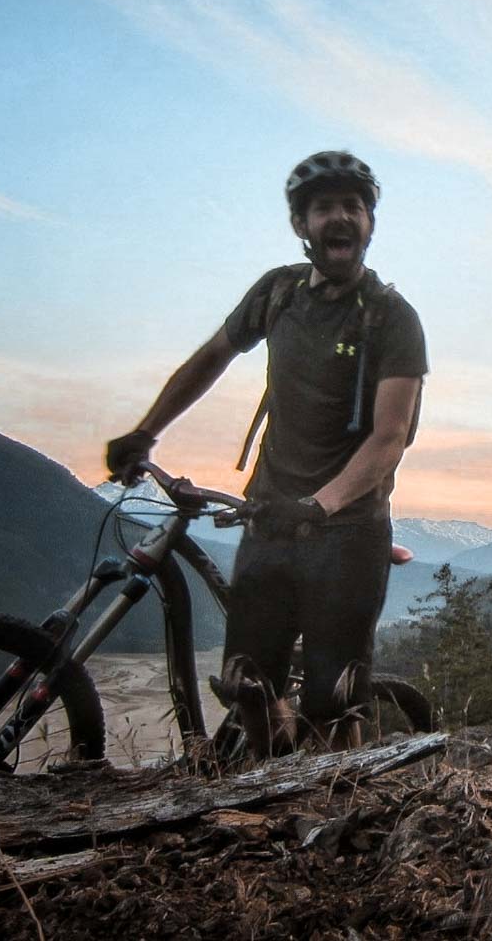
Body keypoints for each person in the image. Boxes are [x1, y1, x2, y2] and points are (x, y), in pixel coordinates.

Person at [105, 151, 428, 754]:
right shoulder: (277, 294)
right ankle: (266, 797)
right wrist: (146, 431)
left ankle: (338, 817)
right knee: (247, 686)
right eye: (324, 207)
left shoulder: (392, 319)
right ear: (301, 225)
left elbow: (389, 439)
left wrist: (319, 505)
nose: (340, 218)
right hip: (269, 520)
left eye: (353, 207)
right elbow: (212, 357)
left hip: (349, 530)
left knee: (334, 705)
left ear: (370, 224)